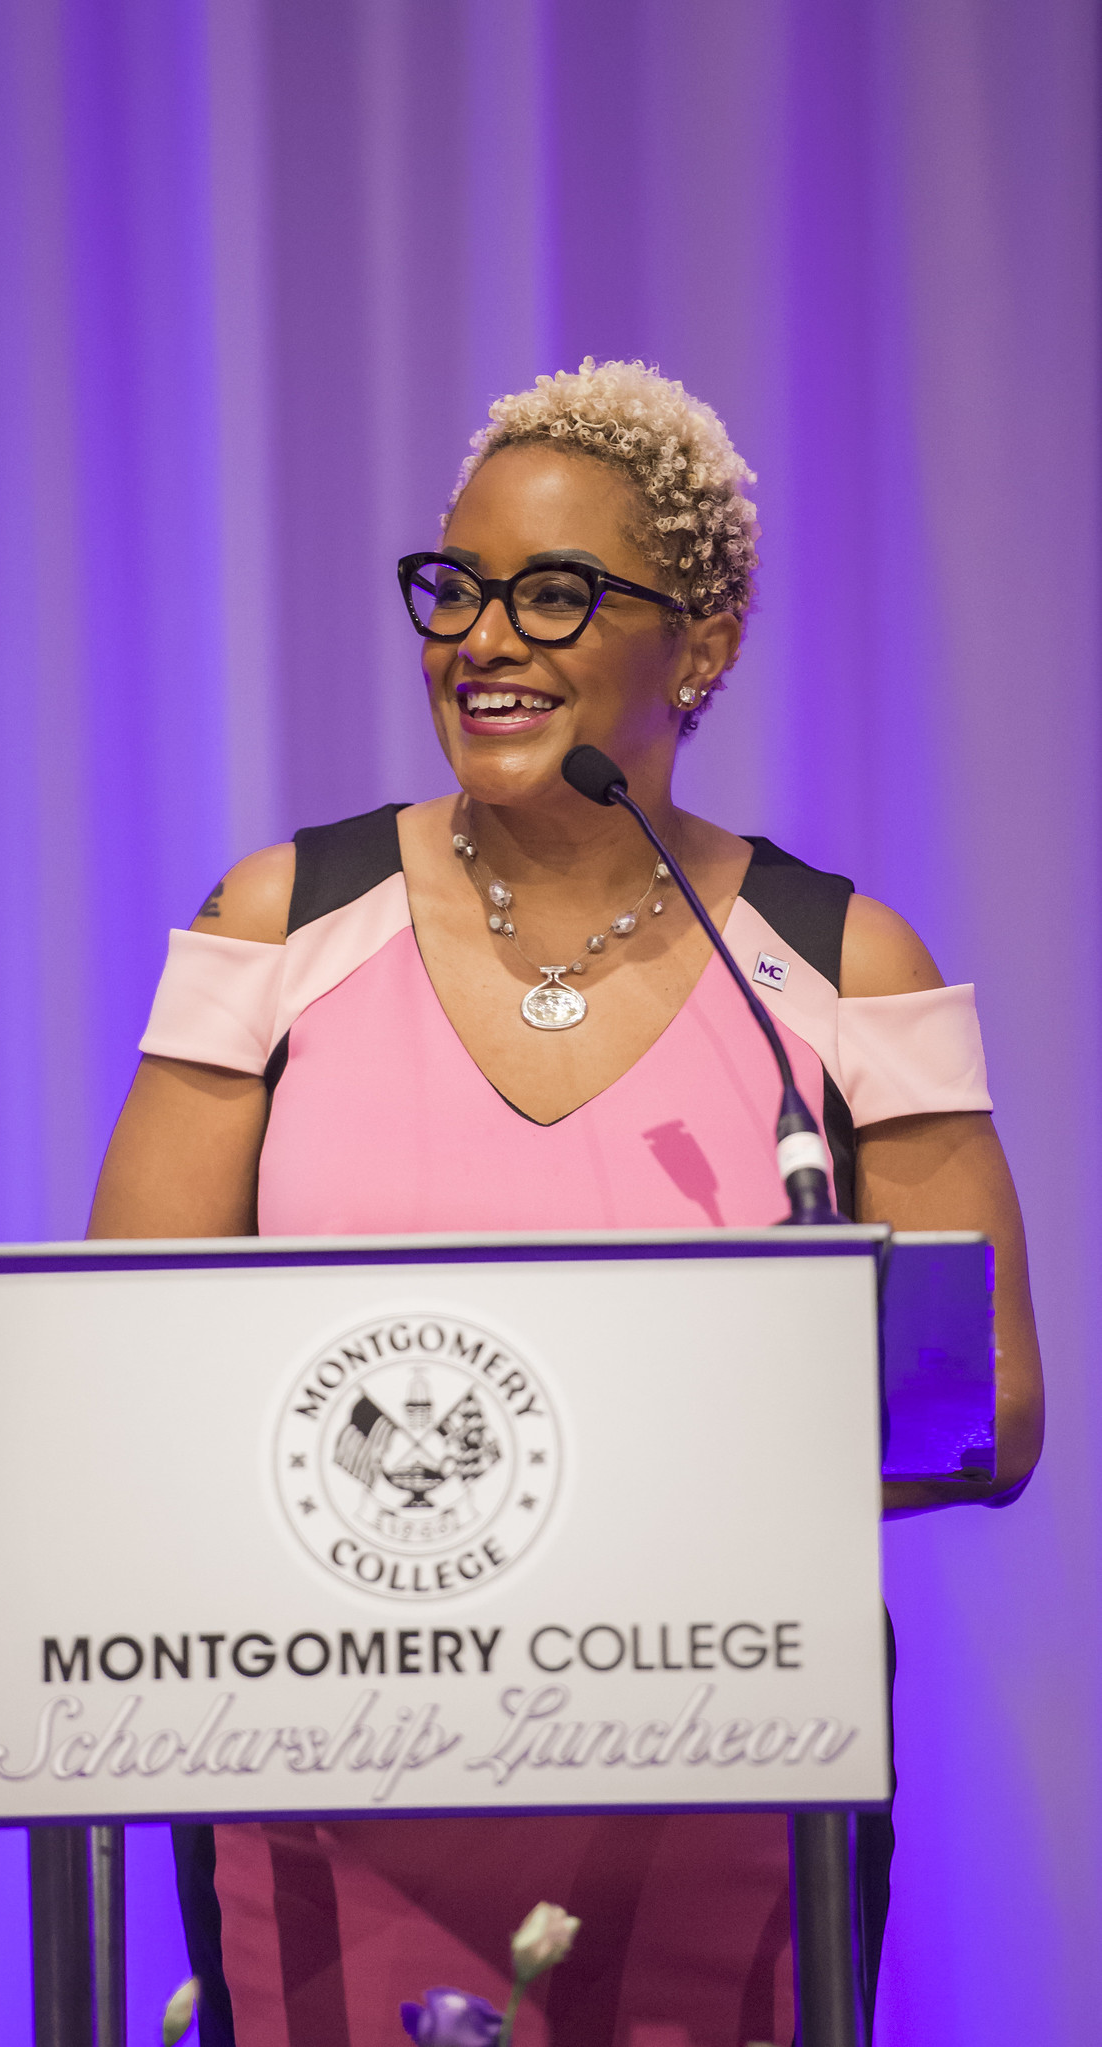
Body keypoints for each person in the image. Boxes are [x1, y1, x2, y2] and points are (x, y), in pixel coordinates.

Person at [88, 359, 1044, 2047]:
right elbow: (107, 1370)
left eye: (552, 594)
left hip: (725, 1781)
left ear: (706, 638)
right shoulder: (278, 924)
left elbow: (992, 1409)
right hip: (322, 1776)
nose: (480, 639)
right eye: (453, 589)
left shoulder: (831, 969)